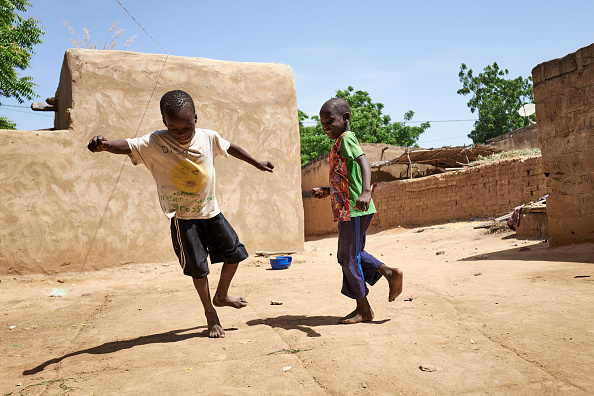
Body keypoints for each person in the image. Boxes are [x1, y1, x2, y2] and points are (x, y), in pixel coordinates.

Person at [88, 89, 274, 338]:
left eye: (187, 127)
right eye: (175, 129)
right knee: (199, 269)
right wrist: (106, 145)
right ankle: (210, 313)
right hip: (184, 220)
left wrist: (257, 163)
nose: (183, 134)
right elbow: (128, 145)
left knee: (235, 254)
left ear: (195, 118)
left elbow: (232, 147)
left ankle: (221, 296)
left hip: (211, 212)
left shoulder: (208, 137)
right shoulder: (156, 142)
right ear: (165, 123)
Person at [312, 97, 403, 324]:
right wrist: (328, 191)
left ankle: (364, 308)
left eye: (330, 121)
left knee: (347, 257)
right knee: (353, 254)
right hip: (349, 207)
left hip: (355, 208)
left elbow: (365, 163)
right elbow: (346, 180)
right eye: (322, 122)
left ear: (346, 118)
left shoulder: (347, 138)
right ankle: (389, 273)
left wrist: (366, 191)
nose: (325, 126)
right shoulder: (339, 142)